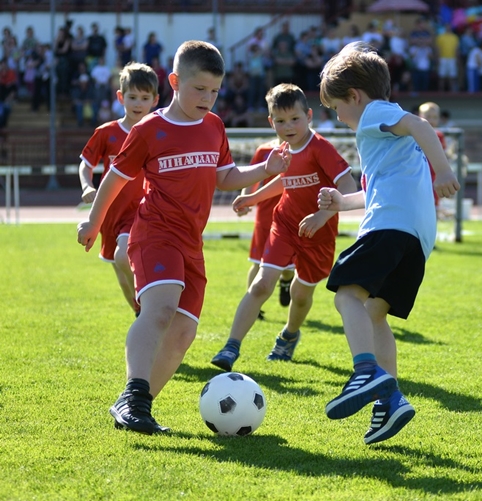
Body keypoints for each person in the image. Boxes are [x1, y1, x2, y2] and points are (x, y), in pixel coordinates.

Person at [76, 40, 291, 435]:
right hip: (154, 232)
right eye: (199, 89)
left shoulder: (214, 126)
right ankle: (135, 397)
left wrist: (266, 168)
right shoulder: (150, 129)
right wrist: (93, 222)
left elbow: (223, 176)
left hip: (193, 242)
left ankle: (135, 407)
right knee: (159, 311)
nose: (208, 98)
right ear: (175, 81)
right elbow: (114, 178)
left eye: (214, 91)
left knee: (183, 332)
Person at [317, 42, 460, 445]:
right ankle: (390, 400)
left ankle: (365, 371)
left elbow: (422, 125)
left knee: (345, 295)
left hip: (390, 227)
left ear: (355, 97)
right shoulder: (384, 134)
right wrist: (340, 203)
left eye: (337, 107)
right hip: (414, 239)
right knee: (374, 313)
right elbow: (375, 190)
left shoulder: (375, 113)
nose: (339, 117)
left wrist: (444, 171)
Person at [210, 83, 357, 372]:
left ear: (309, 116)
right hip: (285, 225)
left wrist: (321, 216)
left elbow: (348, 187)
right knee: (262, 283)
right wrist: (252, 196)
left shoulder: (321, 149)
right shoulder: (283, 150)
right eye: (280, 121)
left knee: (301, 296)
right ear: (270, 121)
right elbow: (285, 180)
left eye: (294, 119)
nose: (288, 126)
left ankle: (289, 334)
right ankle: (231, 347)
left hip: (318, 234)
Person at [78, 62, 160, 315]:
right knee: (118, 267)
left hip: (141, 211)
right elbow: (85, 164)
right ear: (120, 97)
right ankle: (139, 312)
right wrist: (86, 186)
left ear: (155, 100)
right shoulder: (106, 133)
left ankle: (149, 303)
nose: (138, 103)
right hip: (110, 212)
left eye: (144, 98)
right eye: (133, 97)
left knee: (125, 256)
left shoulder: (159, 132)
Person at [233, 139, 296, 322]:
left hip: (292, 215)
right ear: (272, 121)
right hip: (266, 215)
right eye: (280, 120)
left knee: (289, 267)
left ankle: (286, 283)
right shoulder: (264, 150)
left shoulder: (304, 148)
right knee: (257, 261)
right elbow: (253, 176)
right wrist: (245, 199)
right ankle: (253, 306)